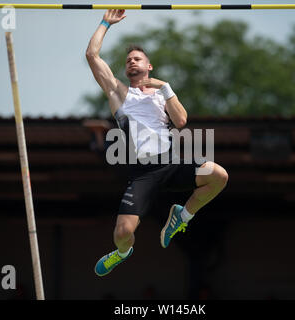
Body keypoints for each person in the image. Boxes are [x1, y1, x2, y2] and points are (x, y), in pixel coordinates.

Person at [86, 9, 229, 277]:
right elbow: (92, 56)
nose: (131, 62)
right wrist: (106, 23)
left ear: (148, 66)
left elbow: (182, 120)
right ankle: (122, 253)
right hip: (143, 174)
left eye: (137, 58)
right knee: (122, 233)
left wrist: (164, 85)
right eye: (128, 60)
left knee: (219, 176)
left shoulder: (164, 95)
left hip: (170, 163)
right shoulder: (119, 93)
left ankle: (181, 217)